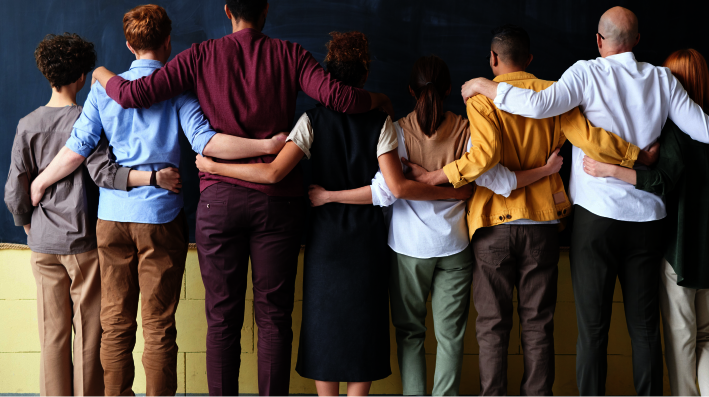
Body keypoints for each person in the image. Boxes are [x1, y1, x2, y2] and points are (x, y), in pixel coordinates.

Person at [89, 0, 393, 397]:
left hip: (218, 204)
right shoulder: (291, 55)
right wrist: (378, 100)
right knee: (274, 318)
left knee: (222, 319)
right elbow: (341, 99)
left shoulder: (200, 55)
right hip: (278, 204)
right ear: (265, 11)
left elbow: (135, 95)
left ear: (227, 11)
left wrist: (102, 73)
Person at [460, 8, 709, 397]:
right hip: (647, 219)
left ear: (598, 40)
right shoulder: (662, 79)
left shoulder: (585, 72)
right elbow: (708, 131)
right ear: (638, 41)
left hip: (595, 220)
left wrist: (485, 86)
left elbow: (539, 106)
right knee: (644, 329)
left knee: (593, 328)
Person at [195, 31, 472, 397]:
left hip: (325, 239)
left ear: (326, 75)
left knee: (322, 324)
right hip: (367, 241)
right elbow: (392, 188)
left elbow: (273, 173)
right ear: (364, 75)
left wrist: (216, 168)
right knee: (365, 326)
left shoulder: (311, 121)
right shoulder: (382, 123)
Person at [29, 5, 285, 397]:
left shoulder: (102, 91)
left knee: (115, 324)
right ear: (168, 42)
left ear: (130, 45)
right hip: (160, 219)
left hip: (111, 218)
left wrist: (40, 183)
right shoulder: (178, 89)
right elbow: (206, 142)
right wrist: (266, 145)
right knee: (159, 325)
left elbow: (76, 150)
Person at [408, 24, 651, 397]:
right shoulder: (555, 94)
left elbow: (484, 158)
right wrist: (635, 155)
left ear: (493, 59)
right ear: (531, 60)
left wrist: (439, 175)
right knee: (539, 323)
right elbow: (589, 138)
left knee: (492, 325)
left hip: (492, 225)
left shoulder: (481, 99)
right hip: (542, 223)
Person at [308, 54, 521, 397]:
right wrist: (452, 191)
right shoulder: (467, 128)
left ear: (410, 90)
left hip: (408, 249)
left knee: (410, 334)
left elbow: (385, 192)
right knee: (451, 337)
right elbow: (475, 186)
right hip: (455, 246)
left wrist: (332, 196)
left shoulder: (396, 130)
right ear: (450, 89)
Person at [3, 33, 177, 397]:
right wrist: (151, 178)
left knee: (52, 335)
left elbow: (14, 189)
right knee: (89, 334)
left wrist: (27, 223)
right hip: (82, 244)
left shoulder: (27, 124)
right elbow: (104, 173)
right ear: (83, 77)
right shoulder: (87, 117)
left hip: (42, 243)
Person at [581, 48, 709, 397]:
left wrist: (611, 169)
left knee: (682, 340)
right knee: (707, 338)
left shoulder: (676, 135)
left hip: (682, 255)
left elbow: (660, 182)